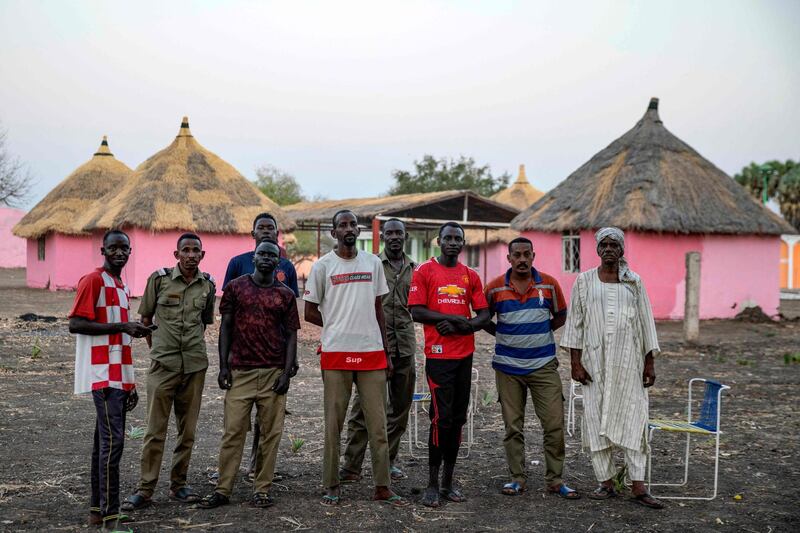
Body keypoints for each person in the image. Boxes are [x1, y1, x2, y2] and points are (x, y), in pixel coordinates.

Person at [303, 210, 408, 507]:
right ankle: (332, 484)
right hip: (335, 353)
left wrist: (387, 353)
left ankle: (382, 486)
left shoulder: (373, 263)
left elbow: (379, 309)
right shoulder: (323, 266)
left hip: (372, 354)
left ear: (358, 230)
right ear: (334, 232)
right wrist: (337, 325)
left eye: (353, 224)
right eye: (343, 225)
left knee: (377, 424)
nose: (349, 228)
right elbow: (310, 311)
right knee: (333, 424)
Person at [560, 227, 664, 509]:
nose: (608, 249)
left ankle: (639, 486)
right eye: (603, 245)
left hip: (629, 363)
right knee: (595, 419)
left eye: (613, 245)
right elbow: (576, 325)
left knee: (634, 417)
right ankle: (605, 483)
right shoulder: (583, 281)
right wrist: (575, 363)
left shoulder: (634, 282)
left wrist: (649, 361)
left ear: (621, 250)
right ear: (597, 250)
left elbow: (645, 322)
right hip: (594, 365)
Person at [199, 240, 299, 509]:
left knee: (270, 434)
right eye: (262, 254)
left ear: (278, 263)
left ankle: (262, 489)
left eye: (272, 255)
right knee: (233, 433)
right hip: (240, 371)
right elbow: (226, 329)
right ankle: (223, 489)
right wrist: (223, 366)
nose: (266, 258)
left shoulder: (286, 295)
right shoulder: (235, 288)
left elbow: (291, 335)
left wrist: (287, 373)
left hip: (273, 373)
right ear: (253, 258)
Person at [122, 232, 216, 511]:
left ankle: (179, 484)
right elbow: (146, 320)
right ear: (176, 255)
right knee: (155, 430)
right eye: (185, 250)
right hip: (164, 366)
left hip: (195, 366)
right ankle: (146, 488)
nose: (190, 255)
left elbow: (204, 322)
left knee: (187, 430)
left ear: (202, 255)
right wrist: (159, 349)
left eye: (195, 250)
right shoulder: (159, 279)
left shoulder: (208, 285)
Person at [68, 230, 152, 533]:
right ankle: (111, 517)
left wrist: (130, 383)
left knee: (102, 444)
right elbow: (76, 324)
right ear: (103, 250)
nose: (119, 253)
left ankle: (96, 512)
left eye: (124, 248)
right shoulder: (93, 280)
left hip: (117, 374)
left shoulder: (120, 284)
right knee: (113, 444)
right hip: (101, 374)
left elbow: (121, 341)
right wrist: (122, 325)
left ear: (130, 252)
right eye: (113, 248)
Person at [483, 237, 579, 499]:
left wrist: (541, 331)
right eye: (517, 255)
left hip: (543, 366)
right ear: (509, 258)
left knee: (554, 424)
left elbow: (561, 314)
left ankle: (555, 480)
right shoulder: (493, 288)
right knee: (513, 427)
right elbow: (483, 318)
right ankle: (517, 478)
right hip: (508, 368)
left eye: (527, 254)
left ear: (533, 256)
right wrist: (503, 333)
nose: (522, 259)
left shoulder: (548, 284)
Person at [408, 221, 490, 508]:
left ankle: (448, 482)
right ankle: (431, 483)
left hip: (464, 356)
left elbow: (483, 315)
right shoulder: (425, 271)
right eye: (448, 238)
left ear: (463, 244)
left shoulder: (470, 276)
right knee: (439, 419)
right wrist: (451, 321)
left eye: (458, 238)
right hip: (439, 356)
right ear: (438, 242)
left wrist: (461, 324)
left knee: (458, 419)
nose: (453, 242)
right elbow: (416, 310)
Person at [221, 212, 298, 480]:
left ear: (277, 234)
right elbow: (227, 321)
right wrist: (226, 360)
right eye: (261, 228)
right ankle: (229, 478)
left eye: (271, 228)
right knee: (236, 423)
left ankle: (257, 467)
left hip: (275, 356)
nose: (266, 231)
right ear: (252, 234)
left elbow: (290, 321)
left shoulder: (286, 268)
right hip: (242, 356)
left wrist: (290, 364)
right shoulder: (236, 265)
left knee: (268, 422)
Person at [340, 218, 417, 483]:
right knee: (363, 409)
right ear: (382, 236)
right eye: (390, 233)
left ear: (406, 236)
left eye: (399, 233)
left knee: (400, 408)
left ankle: (388, 461)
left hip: (405, 347)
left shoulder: (414, 270)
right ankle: (351, 466)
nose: (395, 237)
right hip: (373, 347)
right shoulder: (370, 265)